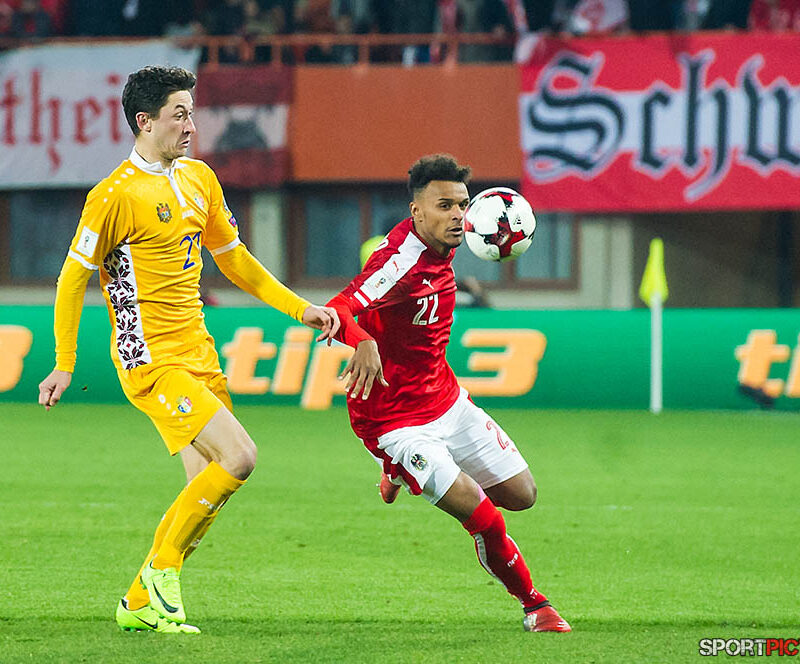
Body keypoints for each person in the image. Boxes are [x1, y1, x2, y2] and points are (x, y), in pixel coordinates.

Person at [37, 65, 339, 634]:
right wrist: (64, 363)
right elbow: (72, 278)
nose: (191, 126)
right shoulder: (113, 196)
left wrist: (300, 308)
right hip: (150, 358)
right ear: (144, 121)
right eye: (179, 115)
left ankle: (137, 602)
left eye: (191, 114)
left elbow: (235, 260)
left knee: (202, 493)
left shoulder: (200, 179)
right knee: (240, 457)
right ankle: (162, 574)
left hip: (199, 352)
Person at [326, 154, 570, 633]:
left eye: (462, 204)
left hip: (447, 401)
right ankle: (535, 606)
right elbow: (338, 309)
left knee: (522, 495)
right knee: (482, 515)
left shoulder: (448, 245)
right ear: (416, 212)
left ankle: (396, 474)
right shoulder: (400, 262)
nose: (458, 215)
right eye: (445, 206)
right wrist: (364, 341)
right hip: (394, 423)